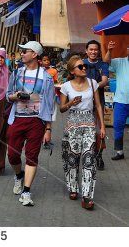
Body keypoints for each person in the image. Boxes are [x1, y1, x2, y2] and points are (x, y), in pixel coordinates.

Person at [6, 41, 54, 206]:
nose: (22, 54)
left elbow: (49, 104)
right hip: (18, 118)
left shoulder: (46, 77)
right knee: (12, 155)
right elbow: (7, 95)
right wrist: (15, 96)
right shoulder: (17, 73)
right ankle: (19, 175)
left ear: (34, 54)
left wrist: (48, 128)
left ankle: (26, 191)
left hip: (36, 120)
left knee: (32, 156)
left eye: (25, 51)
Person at [59, 55, 105, 210]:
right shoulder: (66, 86)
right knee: (71, 158)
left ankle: (86, 196)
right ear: (72, 71)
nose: (84, 68)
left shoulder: (93, 84)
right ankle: (73, 187)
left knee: (88, 159)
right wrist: (71, 103)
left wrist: (102, 127)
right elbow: (62, 108)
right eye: (80, 66)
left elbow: (98, 105)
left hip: (90, 125)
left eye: (84, 66)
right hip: (72, 124)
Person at [83, 39, 109, 169]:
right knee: (87, 129)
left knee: (100, 130)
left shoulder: (103, 65)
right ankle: (89, 154)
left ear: (98, 51)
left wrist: (90, 88)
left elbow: (104, 81)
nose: (93, 51)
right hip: (84, 103)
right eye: (91, 49)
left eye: (95, 49)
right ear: (86, 51)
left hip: (100, 102)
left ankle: (99, 154)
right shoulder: (81, 64)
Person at [103, 42, 129, 160]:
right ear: (127, 50)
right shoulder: (120, 61)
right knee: (118, 125)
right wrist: (109, 50)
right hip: (121, 101)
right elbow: (106, 61)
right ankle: (119, 152)